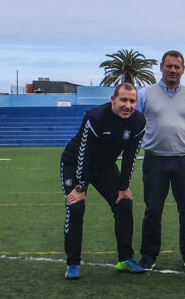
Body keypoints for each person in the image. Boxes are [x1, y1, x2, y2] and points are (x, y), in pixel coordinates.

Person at [60, 83, 147, 279]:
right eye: (123, 100)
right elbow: (84, 154)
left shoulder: (139, 122)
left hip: (105, 168)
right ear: (113, 100)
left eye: (132, 101)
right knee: (76, 207)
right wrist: (80, 187)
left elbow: (130, 157)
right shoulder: (95, 117)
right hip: (75, 164)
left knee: (124, 205)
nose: (127, 105)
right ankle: (73, 263)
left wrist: (123, 187)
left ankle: (125, 259)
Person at [137, 50, 185, 271]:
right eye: (169, 66)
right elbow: (138, 121)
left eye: (177, 67)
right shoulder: (144, 94)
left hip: (183, 160)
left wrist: (181, 140)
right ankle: (148, 255)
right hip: (155, 160)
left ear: (183, 69)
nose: (173, 70)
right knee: (153, 210)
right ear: (161, 67)